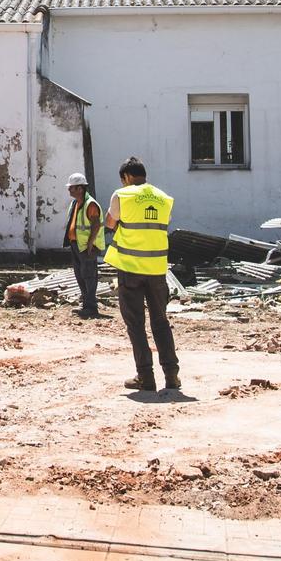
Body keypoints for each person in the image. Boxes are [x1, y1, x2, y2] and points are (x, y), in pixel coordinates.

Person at [103, 156, 179, 394]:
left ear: (126, 177)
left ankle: (145, 377)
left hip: (131, 269)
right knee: (161, 323)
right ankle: (172, 375)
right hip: (157, 270)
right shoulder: (164, 198)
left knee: (136, 324)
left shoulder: (122, 195)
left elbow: (109, 222)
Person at [63, 171, 105, 318]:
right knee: (81, 275)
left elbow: (96, 225)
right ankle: (86, 304)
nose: (69, 190)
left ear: (80, 189)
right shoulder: (76, 203)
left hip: (87, 246)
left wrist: (90, 244)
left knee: (89, 276)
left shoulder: (90, 204)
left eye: (72, 188)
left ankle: (91, 307)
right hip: (77, 244)